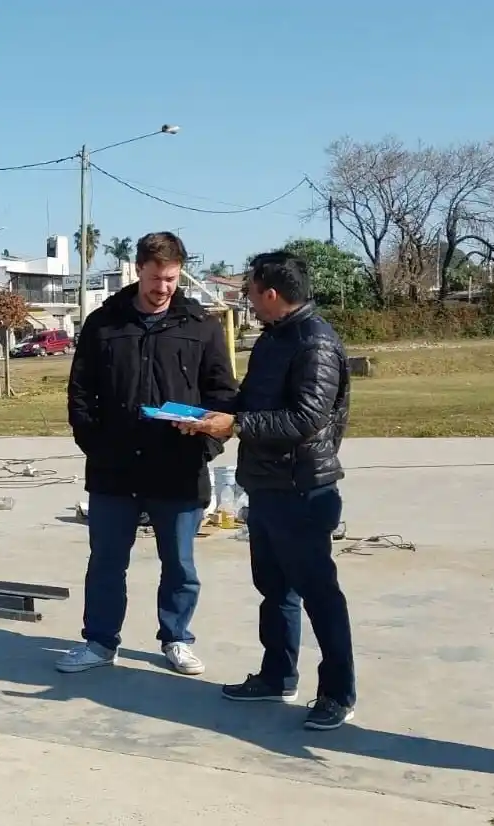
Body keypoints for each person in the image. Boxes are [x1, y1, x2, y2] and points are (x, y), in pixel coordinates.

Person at [177, 250, 355, 731]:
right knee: (274, 590)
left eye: (250, 293)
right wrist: (204, 415)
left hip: (303, 489)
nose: (248, 302)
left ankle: (338, 691)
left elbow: (305, 418)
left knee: (319, 594)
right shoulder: (275, 338)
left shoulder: (314, 342)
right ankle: (278, 674)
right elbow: (254, 403)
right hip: (268, 486)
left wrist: (236, 423)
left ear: (271, 293)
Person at [59, 231, 238, 677]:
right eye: (156, 278)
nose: (163, 288)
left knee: (179, 563)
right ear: (137, 269)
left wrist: (207, 442)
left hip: (178, 469)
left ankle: (176, 638)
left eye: (172, 279)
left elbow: (225, 399)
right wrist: (95, 446)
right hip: (114, 471)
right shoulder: (104, 324)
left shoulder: (202, 326)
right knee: (105, 563)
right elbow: (80, 394)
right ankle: (100, 642)